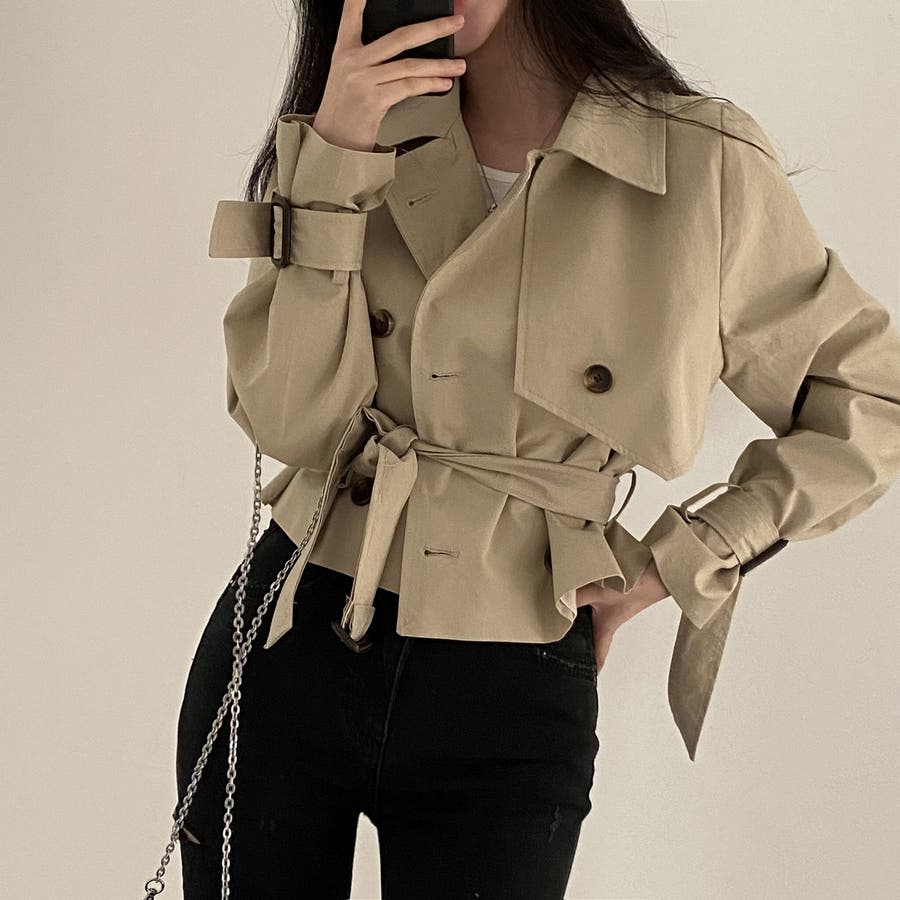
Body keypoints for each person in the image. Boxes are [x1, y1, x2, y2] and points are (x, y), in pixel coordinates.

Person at [163, 1, 900, 897]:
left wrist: (685, 556)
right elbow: (290, 421)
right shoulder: (350, 140)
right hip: (288, 641)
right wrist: (330, 159)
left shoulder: (698, 165)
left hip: (509, 680)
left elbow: (871, 399)